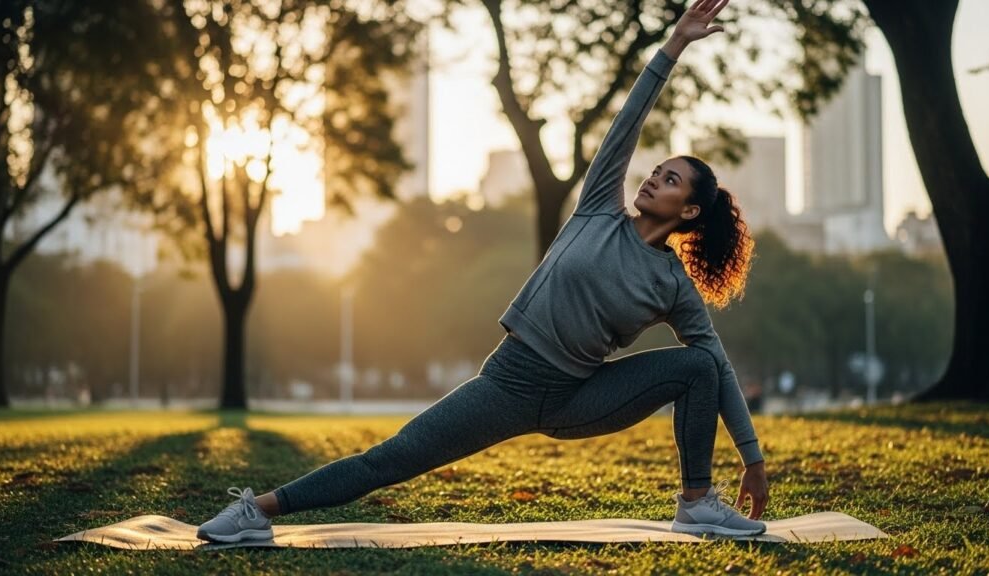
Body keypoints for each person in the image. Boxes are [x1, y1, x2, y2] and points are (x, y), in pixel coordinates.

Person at [197, 0, 769, 543]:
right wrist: (672, 46)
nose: (652, 178)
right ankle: (257, 510)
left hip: (581, 397)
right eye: (658, 170)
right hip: (509, 384)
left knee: (696, 364)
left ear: (689, 211)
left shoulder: (671, 283)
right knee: (391, 458)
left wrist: (753, 458)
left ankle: (696, 504)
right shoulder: (599, 206)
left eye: (670, 181)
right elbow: (627, 123)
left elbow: (715, 365)